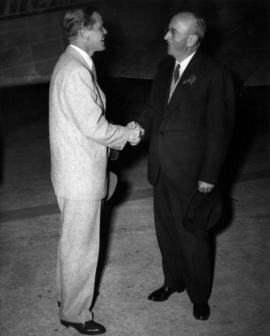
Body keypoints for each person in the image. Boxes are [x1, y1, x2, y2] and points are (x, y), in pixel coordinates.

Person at [49, 6, 143, 335]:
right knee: (82, 246)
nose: (105, 33)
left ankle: (67, 299)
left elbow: (88, 123)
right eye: (100, 27)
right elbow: (94, 127)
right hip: (79, 176)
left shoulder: (73, 64)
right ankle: (75, 313)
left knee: (72, 242)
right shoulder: (75, 70)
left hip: (74, 171)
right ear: (85, 31)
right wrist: (128, 134)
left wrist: (116, 132)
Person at [140, 12, 235, 320]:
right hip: (161, 167)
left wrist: (209, 175)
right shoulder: (163, 67)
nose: (166, 36)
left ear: (192, 39)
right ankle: (173, 282)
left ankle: (199, 295)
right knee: (166, 231)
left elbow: (220, 129)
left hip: (191, 173)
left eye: (172, 32)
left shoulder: (214, 73)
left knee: (193, 236)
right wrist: (136, 127)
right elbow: (153, 110)